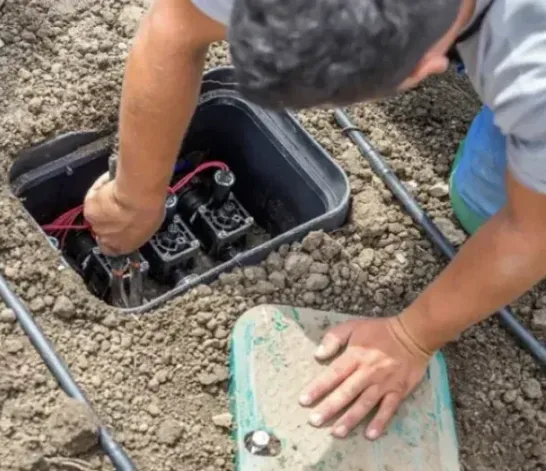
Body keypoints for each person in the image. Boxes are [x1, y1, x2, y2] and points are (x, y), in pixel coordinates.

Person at [83, 0, 546, 441]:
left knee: (482, 204)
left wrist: (411, 337)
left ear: (427, 69)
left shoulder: (532, 71)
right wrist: (135, 196)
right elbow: (176, 23)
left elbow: (532, 231)